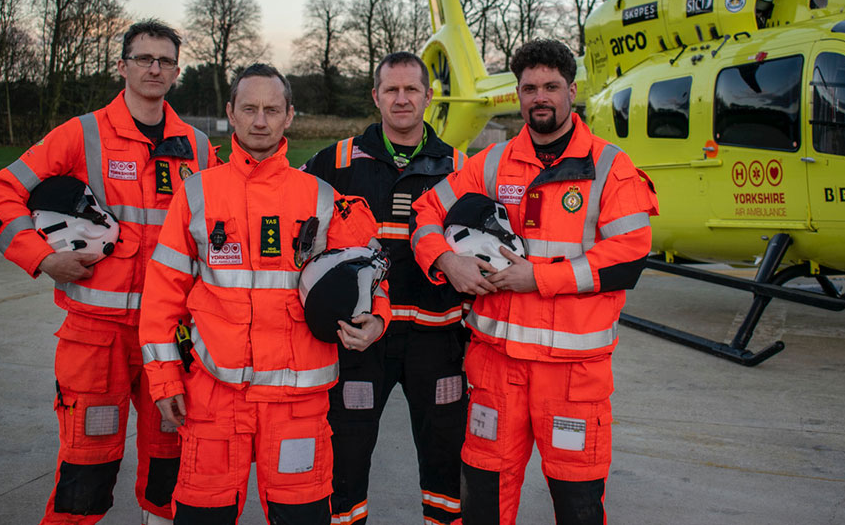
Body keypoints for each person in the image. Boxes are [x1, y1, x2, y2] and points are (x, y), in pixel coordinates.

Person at [411, 40, 659, 525]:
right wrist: (445, 260)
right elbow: (427, 212)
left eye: (550, 86)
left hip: (572, 378)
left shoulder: (610, 168)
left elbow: (630, 256)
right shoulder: (491, 162)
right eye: (529, 88)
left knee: (578, 505)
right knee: (482, 499)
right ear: (518, 94)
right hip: (495, 371)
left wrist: (540, 278)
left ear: (571, 90)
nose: (539, 97)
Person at [0, 20, 218, 524]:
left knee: (171, 468)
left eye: (165, 61)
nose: (154, 68)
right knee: (85, 476)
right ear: (122, 66)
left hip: (169, 340)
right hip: (97, 340)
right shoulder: (82, 133)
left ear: (176, 71)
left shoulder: (199, 148)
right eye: (143, 58)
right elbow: (0, 191)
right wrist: (43, 258)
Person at [139, 64, 390, 524]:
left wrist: (376, 318)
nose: (260, 120)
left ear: (289, 116)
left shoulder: (320, 197)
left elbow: (371, 272)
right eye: (249, 109)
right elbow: (162, 294)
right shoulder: (196, 194)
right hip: (213, 398)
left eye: (272, 109)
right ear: (231, 114)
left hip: (298, 405)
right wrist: (164, 380)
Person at [305, 51, 467, 525]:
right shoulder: (333, 162)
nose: (402, 99)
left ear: (428, 97)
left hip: (437, 342)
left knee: (444, 458)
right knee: (346, 457)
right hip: (358, 342)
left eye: (411, 89)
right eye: (391, 90)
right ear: (375, 96)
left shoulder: (460, 167)